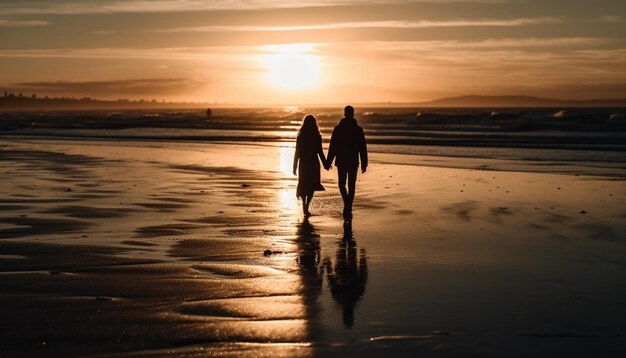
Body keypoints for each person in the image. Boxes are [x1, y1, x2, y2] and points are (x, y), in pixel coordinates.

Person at [326, 105, 368, 222]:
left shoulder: (339, 129)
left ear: (345, 114)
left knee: (342, 184)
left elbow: (332, 147)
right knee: (350, 185)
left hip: (343, 160)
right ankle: (348, 205)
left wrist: (328, 161)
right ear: (352, 114)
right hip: (352, 160)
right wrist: (364, 163)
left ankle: (347, 205)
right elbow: (362, 148)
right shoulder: (357, 129)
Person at [293, 114, 327, 217]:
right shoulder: (317, 136)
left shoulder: (301, 136)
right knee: (311, 185)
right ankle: (306, 206)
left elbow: (297, 152)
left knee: (304, 184)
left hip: (303, 163)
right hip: (313, 163)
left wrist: (294, 166)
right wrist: (325, 163)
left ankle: (304, 204)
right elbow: (320, 152)